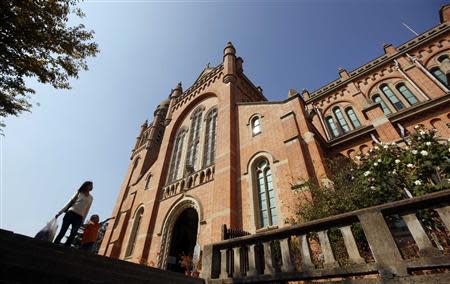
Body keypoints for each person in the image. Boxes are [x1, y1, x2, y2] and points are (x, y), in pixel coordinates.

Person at [54, 181, 93, 246]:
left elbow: (87, 210)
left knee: (73, 233)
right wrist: (59, 213)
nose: (90, 186)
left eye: (91, 185)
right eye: (89, 185)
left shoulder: (91, 198)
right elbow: (69, 202)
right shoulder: (79, 193)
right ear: (85, 185)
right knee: (62, 231)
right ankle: (55, 244)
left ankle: (66, 247)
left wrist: (83, 220)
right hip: (70, 213)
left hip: (79, 217)